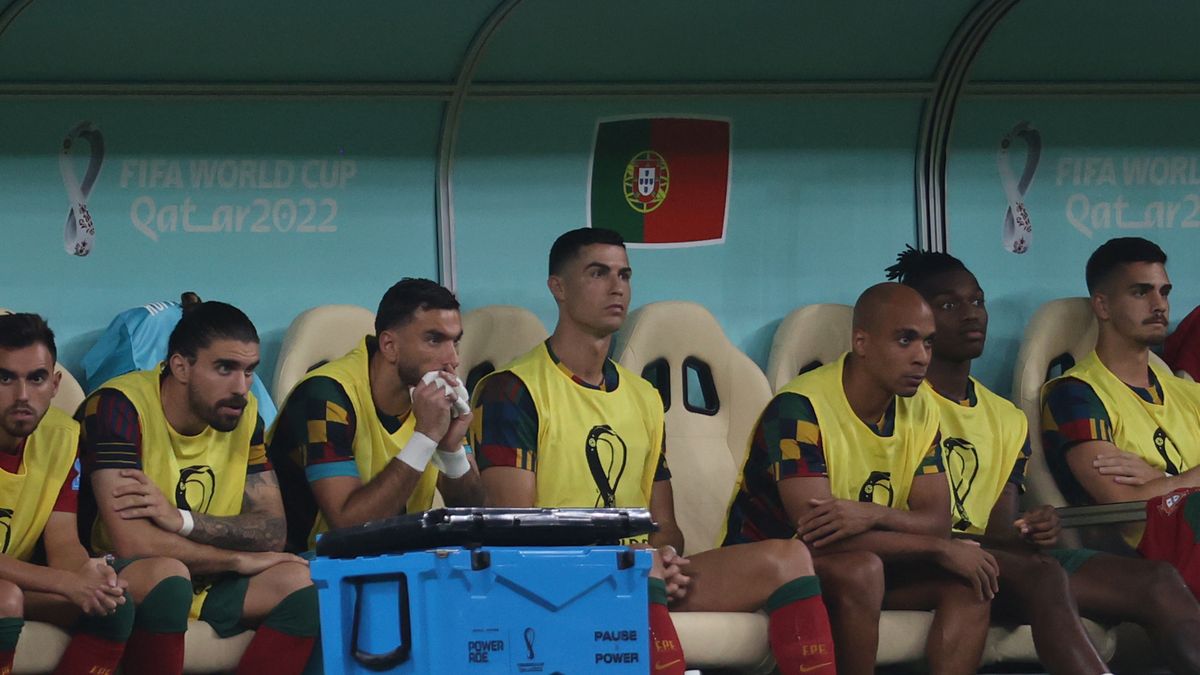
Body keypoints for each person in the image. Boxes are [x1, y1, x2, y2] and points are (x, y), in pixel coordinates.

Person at [470, 228, 836, 675]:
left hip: (641, 572)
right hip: (555, 580)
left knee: (788, 559)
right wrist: (628, 560)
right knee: (638, 567)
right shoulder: (511, 390)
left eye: (624, 274)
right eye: (598, 273)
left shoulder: (643, 396)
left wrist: (663, 554)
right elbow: (514, 532)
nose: (617, 286)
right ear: (558, 288)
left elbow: (666, 528)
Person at [890, 246, 1200, 674]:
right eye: (949, 305)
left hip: (996, 558)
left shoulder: (1005, 417)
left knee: (1159, 581)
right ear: (916, 321)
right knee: (1043, 576)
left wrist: (1034, 528)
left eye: (977, 301)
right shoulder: (896, 407)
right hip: (925, 560)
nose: (971, 314)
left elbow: (1001, 531)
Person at [722, 282, 995, 675]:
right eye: (906, 340)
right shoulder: (798, 409)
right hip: (771, 565)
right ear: (862, 343)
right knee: (862, 570)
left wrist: (872, 514)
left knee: (972, 580)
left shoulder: (920, 410)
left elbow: (937, 520)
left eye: (928, 343)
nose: (922, 357)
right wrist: (938, 549)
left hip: (866, 560)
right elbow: (818, 533)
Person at [79, 301, 317, 675]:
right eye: (225, 368)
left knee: (307, 584)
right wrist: (236, 558)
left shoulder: (245, 412)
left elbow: (272, 530)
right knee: (169, 577)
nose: (241, 387)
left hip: (205, 577)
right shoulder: (118, 406)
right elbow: (133, 542)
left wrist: (182, 520)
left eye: (250, 370)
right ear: (180, 366)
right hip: (127, 572)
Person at [0, 312, 185, 675]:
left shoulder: (62, 436)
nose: (23, 395)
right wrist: (65, 582)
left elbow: (63, 542)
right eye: (5, 377)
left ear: (54, 385)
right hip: (8, 590)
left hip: (20, 582)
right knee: (5, 597)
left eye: (36, 378)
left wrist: (90, 577)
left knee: (112, 600)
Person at [268, 278, 482, 553]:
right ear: (389, 345)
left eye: (455, 342)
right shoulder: (324, 395)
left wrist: (451, 450)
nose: (452, 359)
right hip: (306, 569)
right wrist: (426, 438)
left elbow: (473, 517)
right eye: (434, 340)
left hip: (396, 564)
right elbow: (349, 526)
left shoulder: (433, 398)